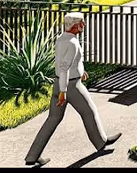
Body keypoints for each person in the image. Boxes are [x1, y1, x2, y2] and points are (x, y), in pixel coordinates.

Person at [25, 13, 121, 167]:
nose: (84, 25)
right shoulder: (73, 43)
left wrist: (79, 72)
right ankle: (101, 142)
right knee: (89, 112)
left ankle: (32, 155)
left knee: (52, 119)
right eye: (82, 23)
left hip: (59, 83)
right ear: (75, 26)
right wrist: (64, 91)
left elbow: (64, 62)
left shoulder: (62, 38)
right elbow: (64, 67)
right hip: (70, 86)